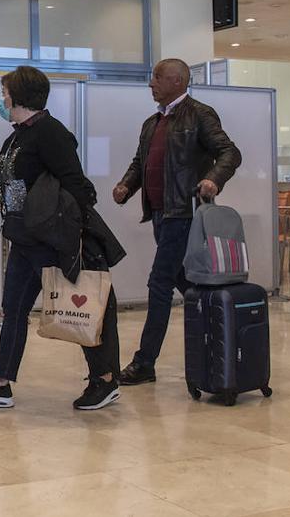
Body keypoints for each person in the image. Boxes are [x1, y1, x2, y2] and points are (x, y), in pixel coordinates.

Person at [0, 66, 121, 411]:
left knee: (78, 309)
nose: (2, 99)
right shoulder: (17, 136)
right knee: (15, 310)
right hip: (24, 240)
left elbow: (77, 185)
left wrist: (72, 235)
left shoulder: (50, 133)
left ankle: (105, 380)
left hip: (50, 241)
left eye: (5, 93)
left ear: (19, 95)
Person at [112, 58, 242, 387]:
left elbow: (229, 152)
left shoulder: (200, 114)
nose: (151, 83)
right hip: (160, 213)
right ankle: (222, 335)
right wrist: (127, 186)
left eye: (157, 77)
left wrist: (213, 179)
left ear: (178, 81)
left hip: (185, 213)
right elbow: (141, 162)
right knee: (188, 284)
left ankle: (145, 362)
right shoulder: (152, 123)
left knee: (159, 283)